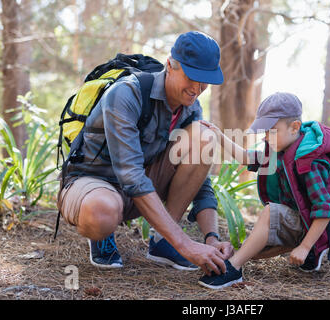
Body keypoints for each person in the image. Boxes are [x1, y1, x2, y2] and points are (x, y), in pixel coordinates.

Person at [57, 31, 233, 275]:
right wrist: (184, 244)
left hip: (139, 187)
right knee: (102, 212)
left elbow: (199, 177)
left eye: (206, 81)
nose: (198, 88)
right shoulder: (126, 93)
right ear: (170, 65)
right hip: (93, 183)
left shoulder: (190, 108)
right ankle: (104, 236)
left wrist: (211, 237)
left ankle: (163, 241)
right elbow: (131, 176)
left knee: (205, 136)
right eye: (192, 77)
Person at [198, 92, 330, 289]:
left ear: (295, 127)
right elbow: (246, 158)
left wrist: (304, 246)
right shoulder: (279, 151)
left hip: (314, 228)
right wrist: (218, 134)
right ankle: (234, 261)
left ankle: (233, 270)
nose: (267, 137)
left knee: (269, 212)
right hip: (301, 221)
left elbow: (325, 209)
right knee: (251, 250)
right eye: (265, 132)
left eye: (272, 131)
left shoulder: (309, 161)